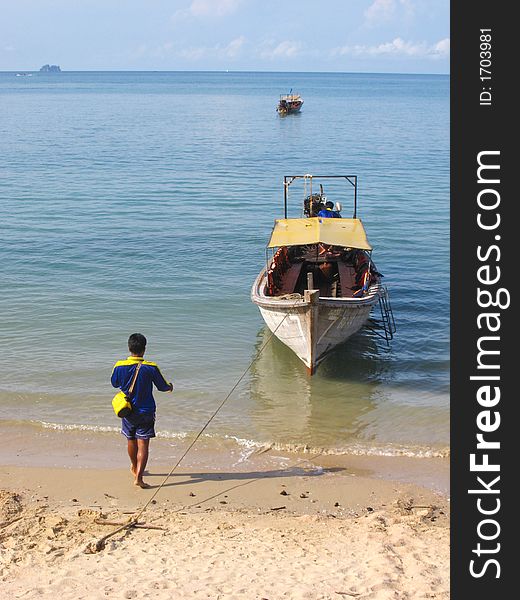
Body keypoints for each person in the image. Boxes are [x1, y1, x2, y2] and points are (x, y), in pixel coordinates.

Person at [111, 333, 173, 488]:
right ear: (144, 349)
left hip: (128, 410)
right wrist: (170, 386)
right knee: (143, 444)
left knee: (130, 439)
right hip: (146, 411)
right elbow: (163, 387)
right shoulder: (151, 367)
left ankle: (134, 466)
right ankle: (139, 477)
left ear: (129, 347)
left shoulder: (119, 366)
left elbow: (114, 383)